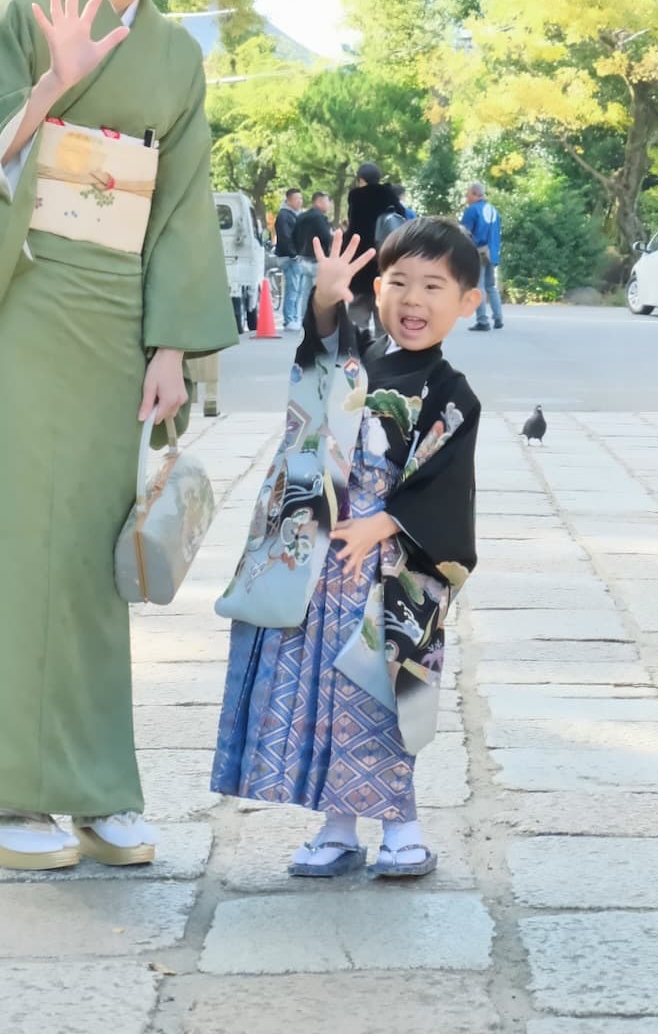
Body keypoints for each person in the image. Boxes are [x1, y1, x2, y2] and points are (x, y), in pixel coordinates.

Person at [0, 0, 239, 873]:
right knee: (9, 548)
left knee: (92, 565)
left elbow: (183, 211)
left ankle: (97, 785)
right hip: (19, 298)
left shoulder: (179, 59)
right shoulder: (27, 9)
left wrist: (170, 345)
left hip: (113, 313)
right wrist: (55, 82)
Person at [211, 220, 482, 879]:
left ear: (468, 303)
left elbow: (444, 487)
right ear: (377, 290)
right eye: (398, 284)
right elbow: (322, 356)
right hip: (323, 564)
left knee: (378, 694)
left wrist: (386, 521)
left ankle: (402, 828)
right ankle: (336, 828)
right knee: (320, 692)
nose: (413, 300)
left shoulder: (451, 393)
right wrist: (326, 298)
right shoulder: (361, 365)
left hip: (392, 571)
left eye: (433, 287)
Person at [345, 162, 406, 329]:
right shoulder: (389, 194)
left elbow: (354, 228)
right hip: (386, 256)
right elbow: (401, 218)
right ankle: (383, 347)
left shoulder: (356, 196)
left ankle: (358, 346)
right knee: (383, 304)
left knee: (358, 307)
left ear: (361, 179)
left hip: (363, 258)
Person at [460, 181, 504, 332]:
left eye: (467, 195)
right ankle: (498, 317)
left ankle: (482, 321)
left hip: (478, 251)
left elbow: (464, 233)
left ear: (474, 194)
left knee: (478, 286)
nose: (466, 198)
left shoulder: (472, 211)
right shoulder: (493, 210)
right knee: (491, 286)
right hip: (492, 251)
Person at [292, 189, 333, 317]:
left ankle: (304, 319)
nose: (329, 204)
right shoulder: (319, 218)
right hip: (317, 260)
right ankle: (318, 320)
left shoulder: (301, 217)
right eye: (327, 201)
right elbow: (326, 237)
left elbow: (293, 236)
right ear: (319, 202)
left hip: (303, 259)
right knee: (320, 293)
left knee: (305, 293)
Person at [273, 187, 305, 330]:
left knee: (296, 288)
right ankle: (289, 319)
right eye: (297, 199)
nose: (300, 201)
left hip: (293, 256)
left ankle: (293, 318)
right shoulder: (284, 216)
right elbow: (285, 237)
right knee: (293, 288)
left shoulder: (292, 214)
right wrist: (294, 254)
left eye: (301, 198)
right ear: (289, 200)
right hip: (289, 258)